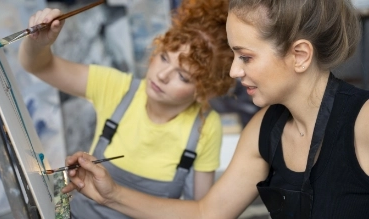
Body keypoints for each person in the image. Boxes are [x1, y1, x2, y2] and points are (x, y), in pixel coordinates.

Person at [62, 0, 369, 218]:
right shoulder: (263, 130)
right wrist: (110, 193)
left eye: (245, 57)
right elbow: (206, 212)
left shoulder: (363, 121)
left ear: (300, 55)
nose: (235, 71)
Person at [18, 0, 234, 218]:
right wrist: (38, 43)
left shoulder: (205, 126)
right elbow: (38, 65)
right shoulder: (117, 88)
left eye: (182, 76)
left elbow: (200, 212)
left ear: (205, 90)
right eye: (164, 57)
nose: (162, 75)